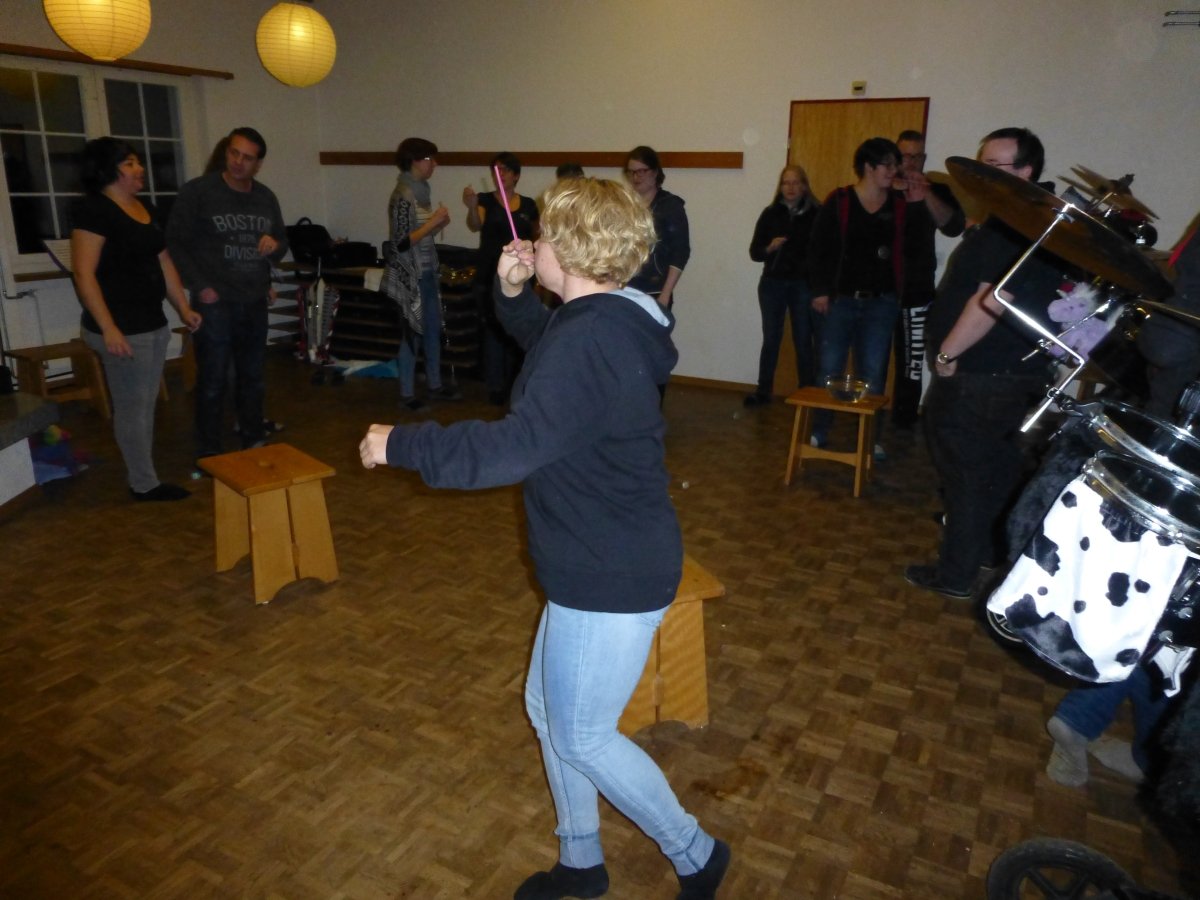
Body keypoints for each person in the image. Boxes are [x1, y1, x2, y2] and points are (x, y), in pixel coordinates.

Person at [359, 177, 730, 900]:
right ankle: (581, 862)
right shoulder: (605, 318)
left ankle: (696, 853)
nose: (531, 243)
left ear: (572, 248)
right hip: (595, 554)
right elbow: (547, 348)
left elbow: (513, 448)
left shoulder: (590, 338)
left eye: (544, 235)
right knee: (549, 712)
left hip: (608, 569)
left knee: (583, 735)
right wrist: (510, 292)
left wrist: (403, 443)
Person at [905, 127, 1064, 599]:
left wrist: (947, 353)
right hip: (1011, 374)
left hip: (982, 374)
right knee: (995, 470)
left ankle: (955, 575)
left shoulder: (1015, 225)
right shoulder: (1033, 220)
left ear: (1026, 171)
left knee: (965, 475)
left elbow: (992, 302)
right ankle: (990, 552)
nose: (983, 174)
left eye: (995, 165)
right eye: (982, 163)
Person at [71, 137, 202, 501]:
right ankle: (144, 484)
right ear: (109, 170)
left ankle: (144, 476)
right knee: (134, 409)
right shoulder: (94, 211)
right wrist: (109, 328)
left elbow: (164, 261)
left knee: (144, 406)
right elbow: (83, 274)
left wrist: (183, 308)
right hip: (120, 329)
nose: (139, 168)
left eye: (137, 162)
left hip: (151, 323)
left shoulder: (145, 208)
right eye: (129, 163)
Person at [166, 127, 288, 463]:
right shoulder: (199, 192)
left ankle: (253, 438)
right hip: (214, 301)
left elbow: (281, 240)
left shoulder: (265, 197)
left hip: (254, 299)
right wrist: (199, 285)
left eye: (247, 158)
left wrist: (274, 246)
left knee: (253, 376)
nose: (238, 162)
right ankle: (209, 449)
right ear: (226, 152)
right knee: (213, 378)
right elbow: (175, 242)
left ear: (258, 164)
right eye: (234, 153)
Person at [806, 137, 906, 455]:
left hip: (882, 302)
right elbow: (818, 248)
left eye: (895, 164)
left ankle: (869, 439)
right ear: (868, 166)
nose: (893, 170)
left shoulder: (899, 204)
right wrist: (820, 291)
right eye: (887, 164)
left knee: (873, 374)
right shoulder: (840, 200)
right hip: (841, 301)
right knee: (828, 369)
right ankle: (819, 431)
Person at [892, 130, 966, 427]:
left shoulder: (937, 189)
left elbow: (953, 227)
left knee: (911, 363)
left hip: (917, 289)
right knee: (872, 357)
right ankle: (867, 418)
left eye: (916, 156)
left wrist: (926, 195)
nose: (910, 162)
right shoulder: (884, 188)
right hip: (881, 289)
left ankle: (904, 422)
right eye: (904, 156)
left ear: (924, 158)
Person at [381, 136, 458, 412]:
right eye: (429, 159)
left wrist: (437, 225)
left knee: (432, 330)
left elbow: (420, 236)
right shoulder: (403, 194)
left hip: (427, 270)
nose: (434, 164)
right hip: (410, 275)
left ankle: (435, 385)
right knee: (411, 333)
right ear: (414, 161)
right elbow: (400, 242)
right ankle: (407, 393)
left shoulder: (422, 190)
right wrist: (432, 223)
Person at [463, 152, 540, 405]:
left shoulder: (528, 205)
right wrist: (472, 206)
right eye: (497, 170)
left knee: (518, 330)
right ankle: (496, 387)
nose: (501, 174)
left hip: (522, 277)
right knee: (494, 331)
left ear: (516, 175)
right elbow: (475, 224)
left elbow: (537, 236)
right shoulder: (485, 200)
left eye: (506, 169)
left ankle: (515, 384)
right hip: (489, 276)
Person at [744, 165, 820, 406]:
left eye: (796, 182)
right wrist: (770, 247)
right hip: (772, 284)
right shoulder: (770, 213)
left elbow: (823, 252)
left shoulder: (816, 214)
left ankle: (807, 392)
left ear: (804, 186)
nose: (790, 187)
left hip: (802, 284)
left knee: (803, 339)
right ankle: (763, 391)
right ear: (780, 186)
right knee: (771, 338)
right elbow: (755, 253)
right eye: (786, 182)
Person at [624, 146, 690, 309]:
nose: (635, 177)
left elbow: (680, 252)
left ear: (654, 172)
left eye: (641, 171)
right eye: (631, 172)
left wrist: (665, 294)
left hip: (655, 290)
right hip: (625, 288)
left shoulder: (670, 206)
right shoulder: (625, 205)